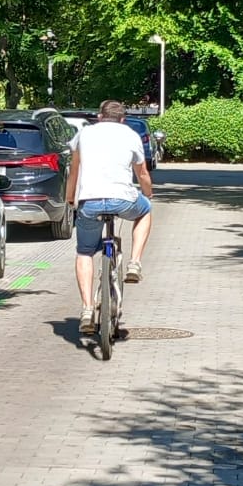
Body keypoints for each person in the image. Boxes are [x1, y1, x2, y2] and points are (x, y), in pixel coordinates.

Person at [65, 99, 154, 335]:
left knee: (84, 252)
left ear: (99, 116)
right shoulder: (131, 135)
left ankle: (86, 310)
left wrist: (70, 198)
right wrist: (147, 192)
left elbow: (74, 170)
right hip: (122, 199)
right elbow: (142, 172)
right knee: (145, 211)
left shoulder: (84, 134)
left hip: (90, 202)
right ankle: (134, 263)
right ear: (123, 119)